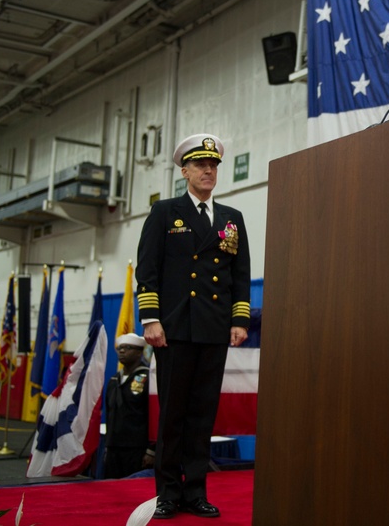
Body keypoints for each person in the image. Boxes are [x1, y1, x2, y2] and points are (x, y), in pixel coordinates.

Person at [136, 133, 251, 520]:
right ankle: (167, 492)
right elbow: (148, 269)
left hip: (213, 329)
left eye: (213, 165)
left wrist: (238, 320)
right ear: (184, 171)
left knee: (203, 414)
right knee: (173, 414)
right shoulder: (165, 213)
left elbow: (240, 274)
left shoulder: (231, 219)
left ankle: (195, 491)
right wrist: (151, 319)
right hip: (175, 329)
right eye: (200, 164)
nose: (208, 170)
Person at [104, 332, 154, 479]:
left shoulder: (148, 377)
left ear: (139, 352)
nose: (122, 351)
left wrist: (152, 450)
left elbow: (154, 415)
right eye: (119, 348)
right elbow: (109, 412)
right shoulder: (114, 379)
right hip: (114, 446)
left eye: (127, 348)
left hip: (137, 447)